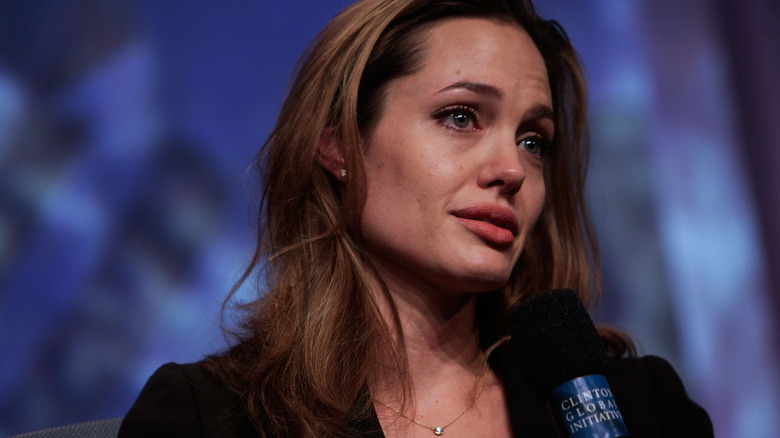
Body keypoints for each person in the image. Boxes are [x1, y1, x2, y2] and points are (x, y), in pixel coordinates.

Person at [119, 0, 714, 436]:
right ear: (342, 146)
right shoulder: (211, 419)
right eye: (461, 117)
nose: (511, 168)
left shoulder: (638, 407)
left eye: (534, 140)